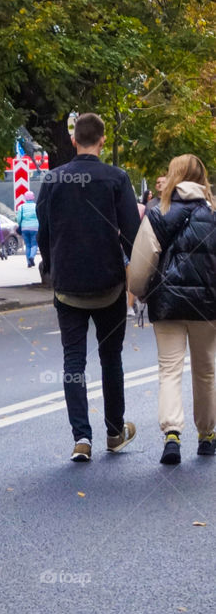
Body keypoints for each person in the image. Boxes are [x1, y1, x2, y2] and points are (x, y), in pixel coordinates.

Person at [36, 112, 141, 462]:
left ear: (73, 140)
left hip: (67, 287)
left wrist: (52, 269)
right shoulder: (116, 178)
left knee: (73, 362)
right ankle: (114, 431)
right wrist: (136, 279)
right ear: (102, 140)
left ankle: (81, 438)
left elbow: (44, 232)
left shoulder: (52, 180)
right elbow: (131, 234)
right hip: (109, 285)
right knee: (111, 359)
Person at [127, 154, 216, 465]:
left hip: (167, 301)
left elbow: (141, 261)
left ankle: (172, 436)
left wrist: (139, 292)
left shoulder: (159, 212)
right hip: (207, 305)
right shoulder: (214, 212)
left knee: (169, 370)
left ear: (174, 177)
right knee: (205, 370)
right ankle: (207, 436)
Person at [16, 190, 39, 267]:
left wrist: (20, 224)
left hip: (24, 228)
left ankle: (29, 263)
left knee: (28, 245)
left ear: (25, 198)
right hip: (35, 228)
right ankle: (32, 257)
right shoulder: (36, 206)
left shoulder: (21, 207)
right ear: (33, 197)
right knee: (34, 244)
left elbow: (18, 219)